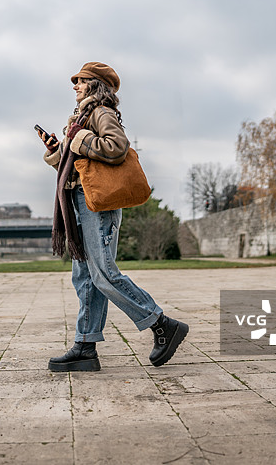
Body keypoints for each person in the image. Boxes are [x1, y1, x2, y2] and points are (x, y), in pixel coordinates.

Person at [38, 61, 188, 372]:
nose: (75, 85)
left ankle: (162, 324)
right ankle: (85, 346)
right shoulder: (80, 118)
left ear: (95, 84)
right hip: (81, 200)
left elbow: (116, 147)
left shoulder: (101, 112)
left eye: (81, 80)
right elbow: (79, 168)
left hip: (98, 205)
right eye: (75, 81)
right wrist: (59, 151)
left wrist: (77, 141)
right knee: (85, 277)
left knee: (104, 273)